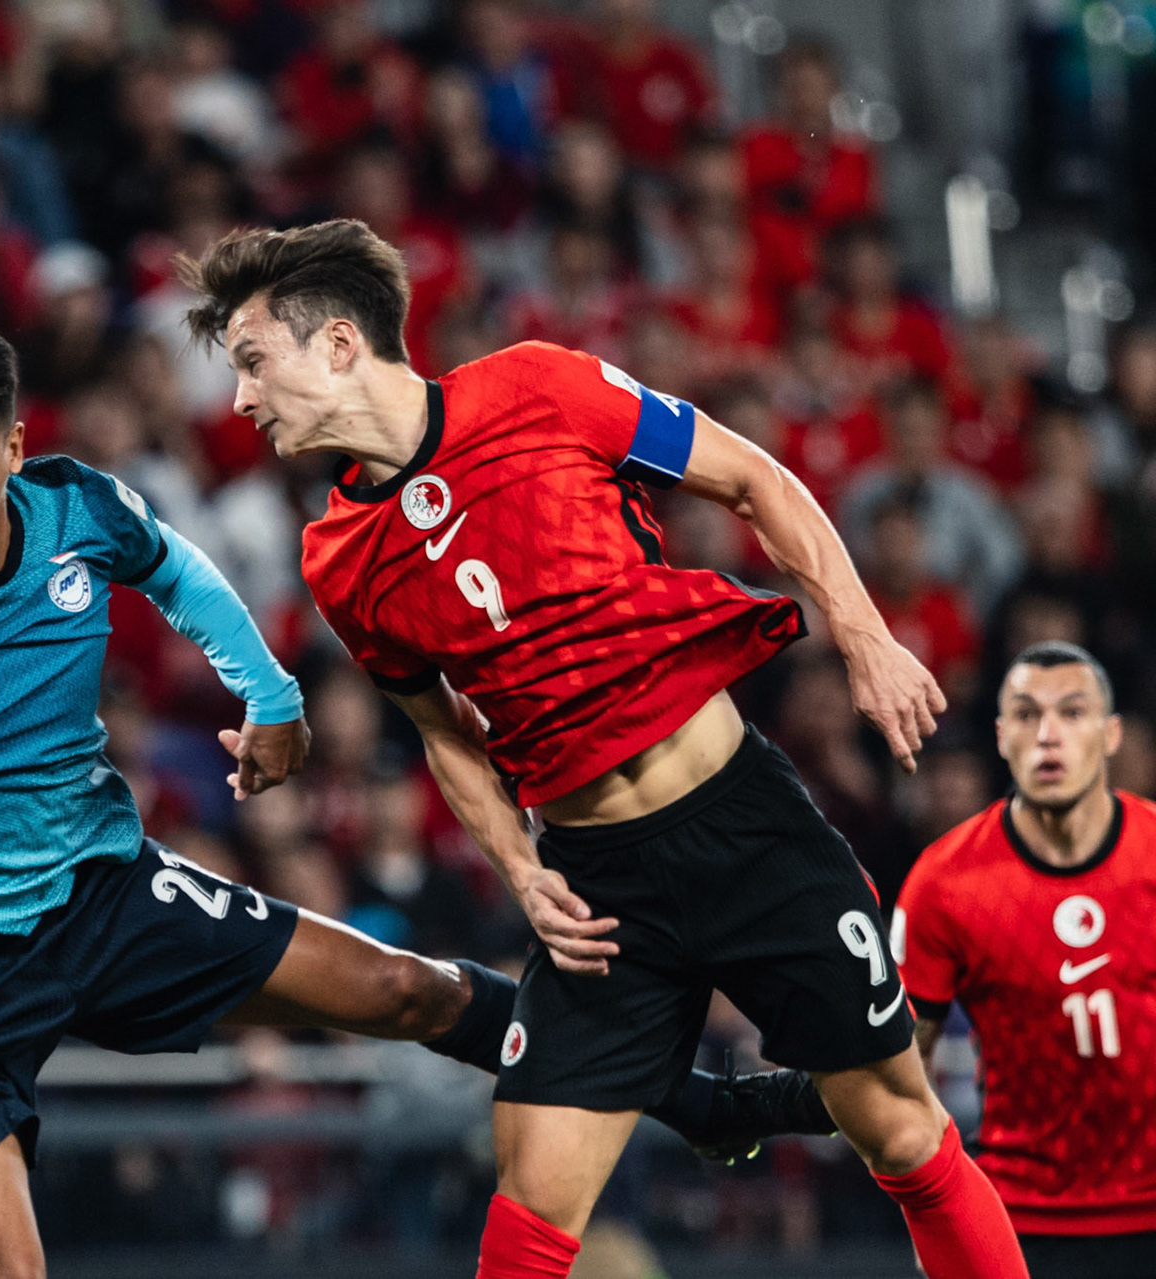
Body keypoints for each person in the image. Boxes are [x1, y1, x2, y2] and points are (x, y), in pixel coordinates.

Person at [0, 321, 822, 1278]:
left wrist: (272, 694)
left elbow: (179, 574)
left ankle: (703, 1106)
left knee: (410, 991)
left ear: (14, 449)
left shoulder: (76, 509)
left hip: (108, 895)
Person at [180, 220, 1026, 1279]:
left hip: (741, 823)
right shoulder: (337, 556)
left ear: (341, 343)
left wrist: (863, 635)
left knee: (904, 1134)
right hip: (597, 888)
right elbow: (441, 730)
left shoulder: (540, 386)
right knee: (530, 1212)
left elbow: (753, 476)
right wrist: (524, 874)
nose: (243, 398)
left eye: (255, 361)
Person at [894, 642, 1156, 1278]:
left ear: (1112, 733)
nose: (1048, 735)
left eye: (1072, 712)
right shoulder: (944, 882)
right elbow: (898, 1075)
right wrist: (945, 1210)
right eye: (1027, 715)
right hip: (1016, 1224)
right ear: (1002, 736)